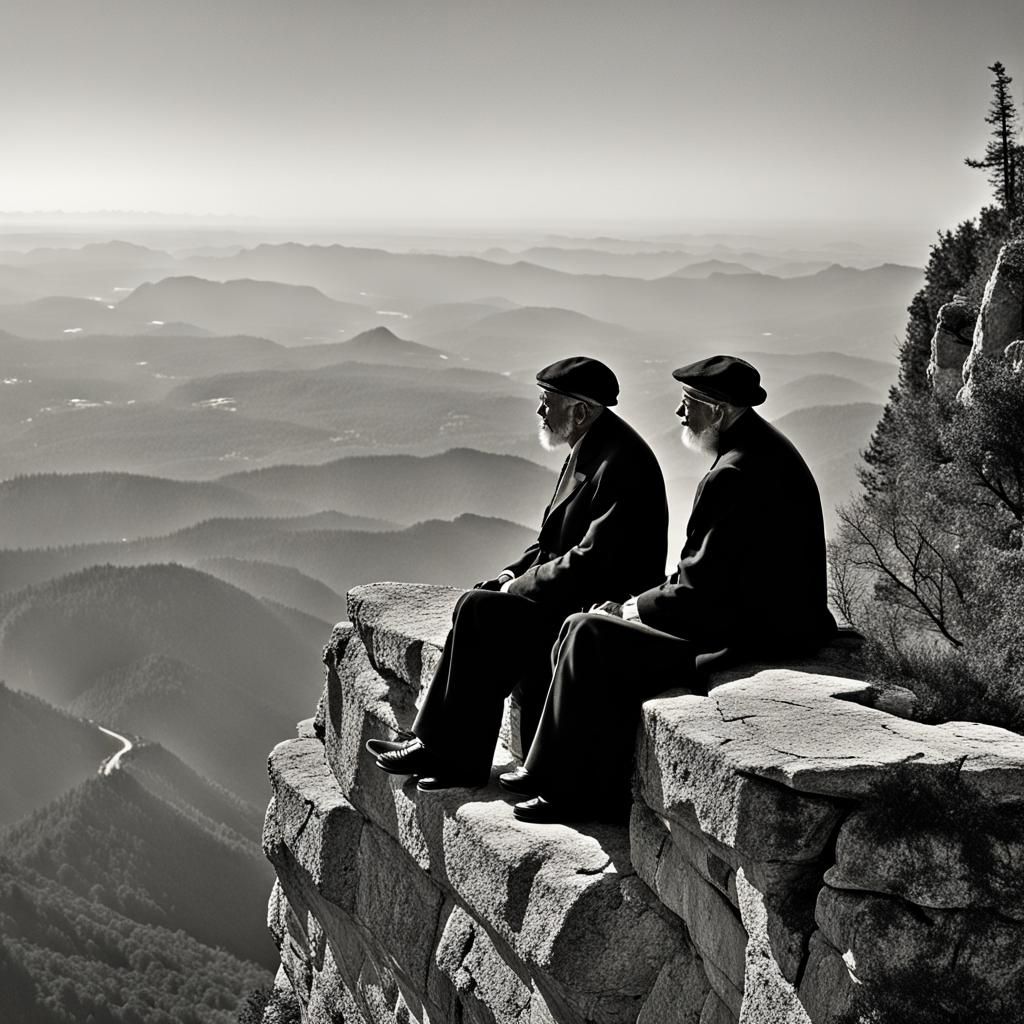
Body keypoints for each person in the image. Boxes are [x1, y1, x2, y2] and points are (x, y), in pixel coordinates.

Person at [507, 354, 838, 823]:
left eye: (689, 402)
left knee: (587, 632)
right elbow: (708, 572)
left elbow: (699, 592)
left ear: (717, 411)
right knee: (584, 628)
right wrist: (636, 604)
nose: (680, 413)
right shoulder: (762, 450)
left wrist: (628, 610)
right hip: (765, 620)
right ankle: (547, 771)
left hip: (746, 635)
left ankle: (572, 792)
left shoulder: (732, 474)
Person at [370, 355, 669, 790]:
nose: (540, 410)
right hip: (569, 596)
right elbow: (550, 542)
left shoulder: (621, 462)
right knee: (477, 602)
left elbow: (592, 559)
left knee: (479, 610)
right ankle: (441, 750)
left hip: (590, 610)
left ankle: (448, 754)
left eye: (548, 401)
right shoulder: (592, 447)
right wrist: (509, 575)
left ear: (580, 411)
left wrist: (520, 589)